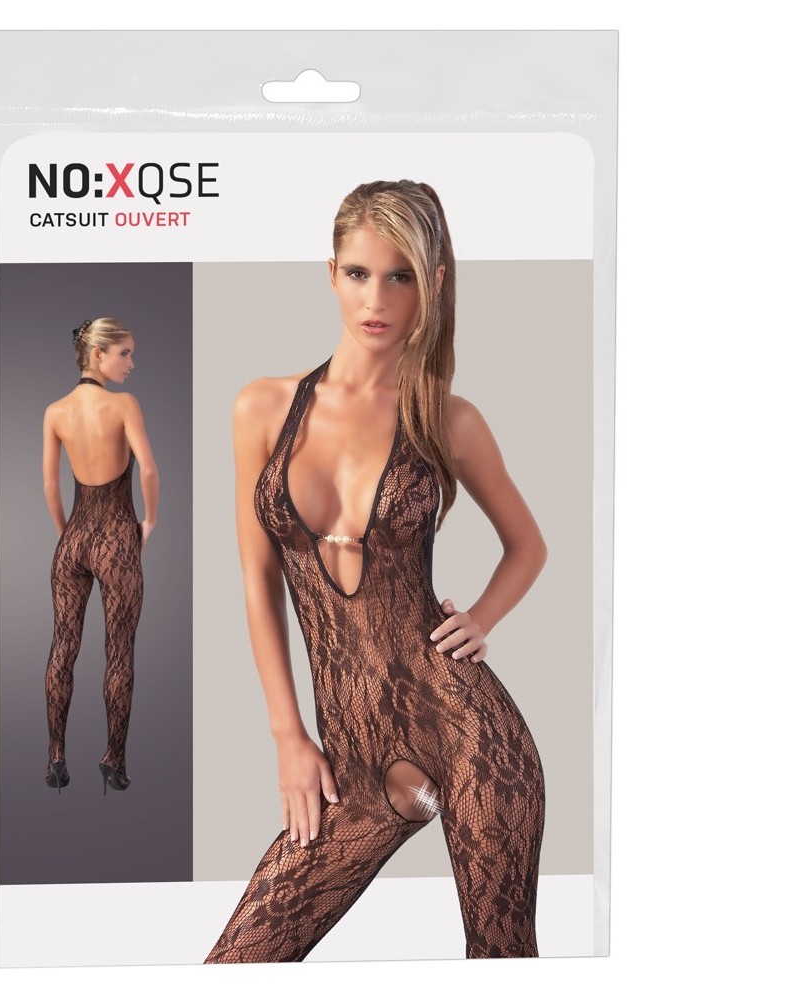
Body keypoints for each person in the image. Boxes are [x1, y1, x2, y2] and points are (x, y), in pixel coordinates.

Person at [204, 181, 547, 962]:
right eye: (359, 273)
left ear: (433, 284)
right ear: (331, 273)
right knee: (236, 965)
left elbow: (528, 545)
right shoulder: (262, 408)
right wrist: (289, 736)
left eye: (401, 277)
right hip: (354, 761)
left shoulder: (447, 419)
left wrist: (481, 619)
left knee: (502, 966)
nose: (377, 299)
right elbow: (258, 582)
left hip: (469, 737)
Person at [41, 317, 159, 794]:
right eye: (124, 353)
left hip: (73, 539)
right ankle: (114, 759)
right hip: (117, 538)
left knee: (62, 648)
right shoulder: (123, 404)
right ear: (97, 354)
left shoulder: (55, 411)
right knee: (119, 653)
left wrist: (67, 536)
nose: (131, 363)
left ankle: (55, 757)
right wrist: (149, 521)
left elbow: (51, 486)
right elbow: (147, 469)